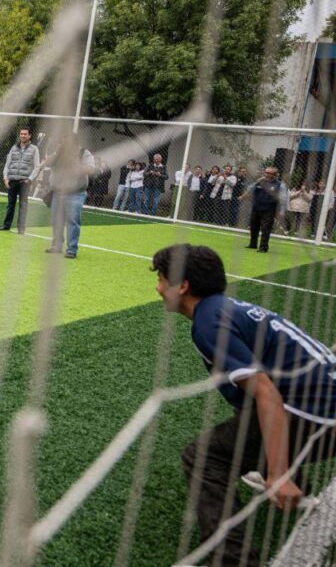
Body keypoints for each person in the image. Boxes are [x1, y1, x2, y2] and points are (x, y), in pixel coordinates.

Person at [151, 243, 336, 566]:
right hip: (322, 406)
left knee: (203, 456)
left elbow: (266, 393)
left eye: (162, 279)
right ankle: (298, 488)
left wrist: (278, 474)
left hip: (320, 418)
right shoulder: (225, 307)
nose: (158, 287)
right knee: (246, 419)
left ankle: (234, 559)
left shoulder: (208, 323)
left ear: (182, 285)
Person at [43, 134, 95, 258]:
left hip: (75, 193)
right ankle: (56, 246)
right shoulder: (59, 153)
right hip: (57, 192)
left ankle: (72, 250)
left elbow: (90, 169)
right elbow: (47, 163)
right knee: (56, 221)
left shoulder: (84, 153)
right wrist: (58, 153)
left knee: (73, 221)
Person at [0, 128, 40, 232]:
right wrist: (5, 177)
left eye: (25, 134)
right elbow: (7, 164)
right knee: (10, 205)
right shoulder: (13, 148)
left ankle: (21, 228)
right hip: (12, 180)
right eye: (21, 134)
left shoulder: (34, 149)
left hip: (24, 181)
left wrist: (30, 179)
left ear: (29, 136)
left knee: (23, 205)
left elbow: (37, 166)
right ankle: (6, 225)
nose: (23, 136)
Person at [241, 166, 288, 253]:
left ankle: (263, 247)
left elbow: (283, 199)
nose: (268, 175)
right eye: (266, 173)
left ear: (276, 175)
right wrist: (257, 182)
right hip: (256, 207)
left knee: (266, 228)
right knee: (253, 226)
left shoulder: (280, 185)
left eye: (271, 173)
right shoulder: (259, 182)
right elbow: (249, 190)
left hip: (269, 209)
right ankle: (253, 244)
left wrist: (282, 210)